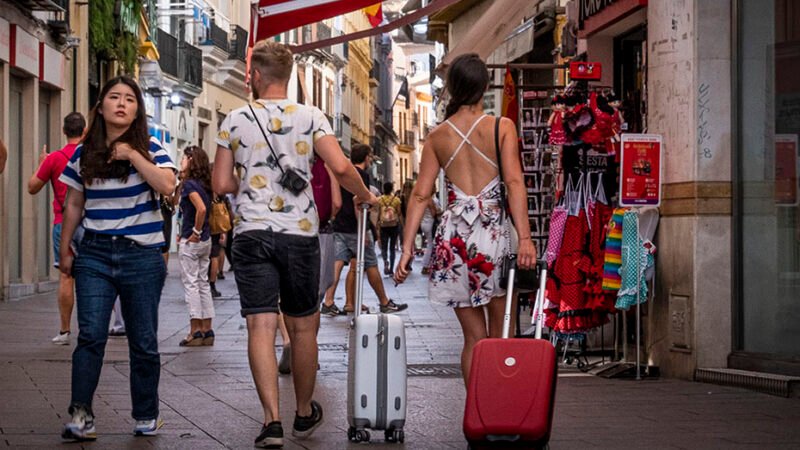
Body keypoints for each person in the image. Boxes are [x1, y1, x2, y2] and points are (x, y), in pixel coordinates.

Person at [212, 40, 377, 448]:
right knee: (304, 328)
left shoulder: (234, 119)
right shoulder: (312, 116)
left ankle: (271, 422)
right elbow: (340, 166)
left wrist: (247, 185)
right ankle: (304, 413)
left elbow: (220, 184)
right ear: (288, 77)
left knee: (260, 326)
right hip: (300, 235)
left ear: (253, 76)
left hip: (251, 234)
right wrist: (363, 195)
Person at [394, 53, 536, 387]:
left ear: (453, 88)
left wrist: (406, 248)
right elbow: (515, 183)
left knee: (473, 339)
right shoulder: (501, 127)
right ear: (484, 86)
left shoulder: (437, 136)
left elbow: (420, 194)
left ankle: (477, 413)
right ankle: (501, 413)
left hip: (454, 239)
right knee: (502, 336)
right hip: (493, 236)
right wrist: (526, 238)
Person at [58, 76, 176, 441]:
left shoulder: (153, 147)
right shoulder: (82, 154)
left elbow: (168, 185)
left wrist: (133, 155)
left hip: (141, 256)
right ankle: (80, 415)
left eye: (129, 99)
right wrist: (65, 248)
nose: (121, 103)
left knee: (143, 339)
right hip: (94, 253)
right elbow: (74, 203)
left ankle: (146, 414)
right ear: (102, 106)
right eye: (114, 97)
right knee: (91, 334)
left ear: (138, 109)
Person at [325, 144, 408, 315]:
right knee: (371, 264)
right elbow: (359, 201)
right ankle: (384, 302)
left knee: (337, 264)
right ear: (366, 157)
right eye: (370, 157)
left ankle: (328, 301)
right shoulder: (360, 175)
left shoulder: (342, 174)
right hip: (356, 228)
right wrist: (362, 230)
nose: (370, 160)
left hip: (339, 225)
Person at [27, 112, 86, 345]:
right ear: (84, 132)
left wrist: (42, 163)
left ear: (64, 131)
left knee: (65, 277)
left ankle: (64, 331)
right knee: (95, 276)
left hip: (63, 223)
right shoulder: (90, 156)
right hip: (91, 224)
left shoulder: (55, 159)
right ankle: (94, 329)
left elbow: (32, 187)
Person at [176, 145, 215, 347]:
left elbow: (199, 208)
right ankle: (207, 328)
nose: (181, 161)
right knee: (202, 283)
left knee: (191, 284)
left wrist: (194, 232)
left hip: (193, 241)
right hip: (206, 240)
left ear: (191, 160)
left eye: (183, 158)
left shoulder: (190, 185)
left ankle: (195, 330)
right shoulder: (204, 183)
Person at [377, 182, 401, 275]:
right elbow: (399, 213)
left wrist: (377, 225)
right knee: (392, 248)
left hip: (383, 226)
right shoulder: (397, 200)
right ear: (391, 189)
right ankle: (391, 268)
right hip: (394, 226)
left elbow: (378, 214)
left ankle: (385, 262)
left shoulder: (379, 200)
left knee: (384, 247)